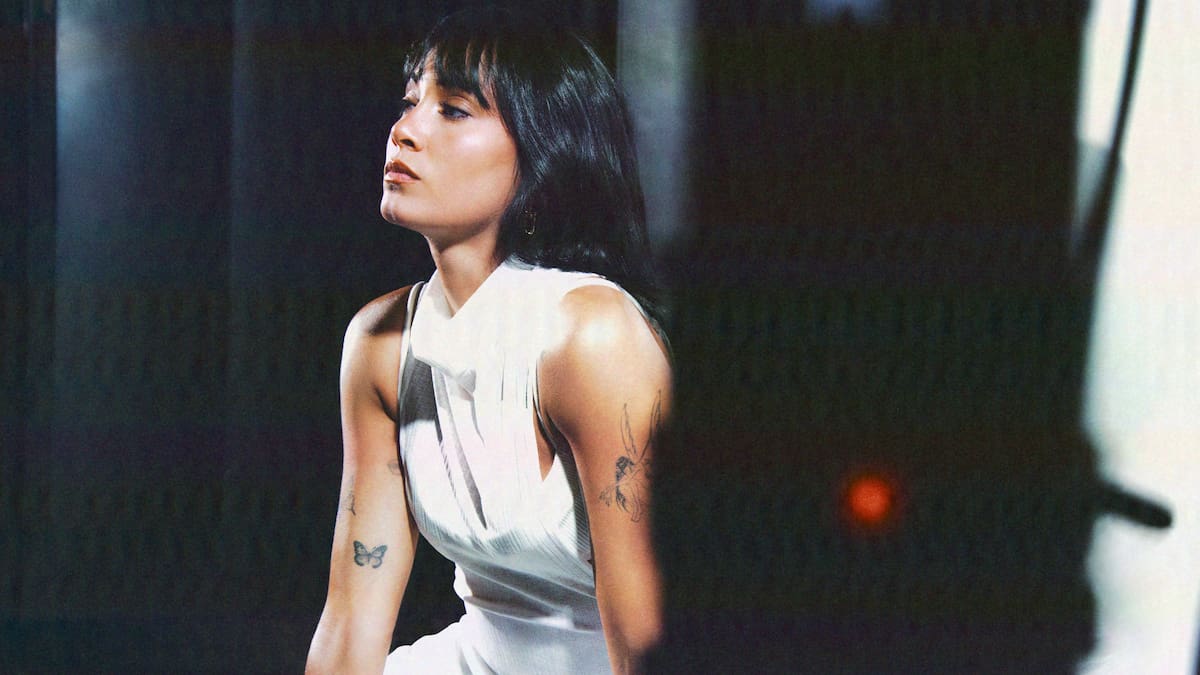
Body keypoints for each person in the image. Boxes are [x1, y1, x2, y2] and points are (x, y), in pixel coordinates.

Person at [305, 7, 671, 674]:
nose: (405, 130)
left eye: (454, 110)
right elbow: (352, 619)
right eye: (411, 101)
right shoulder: (381, 343)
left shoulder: (592, 337)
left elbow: (647, 637)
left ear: (541, 155)